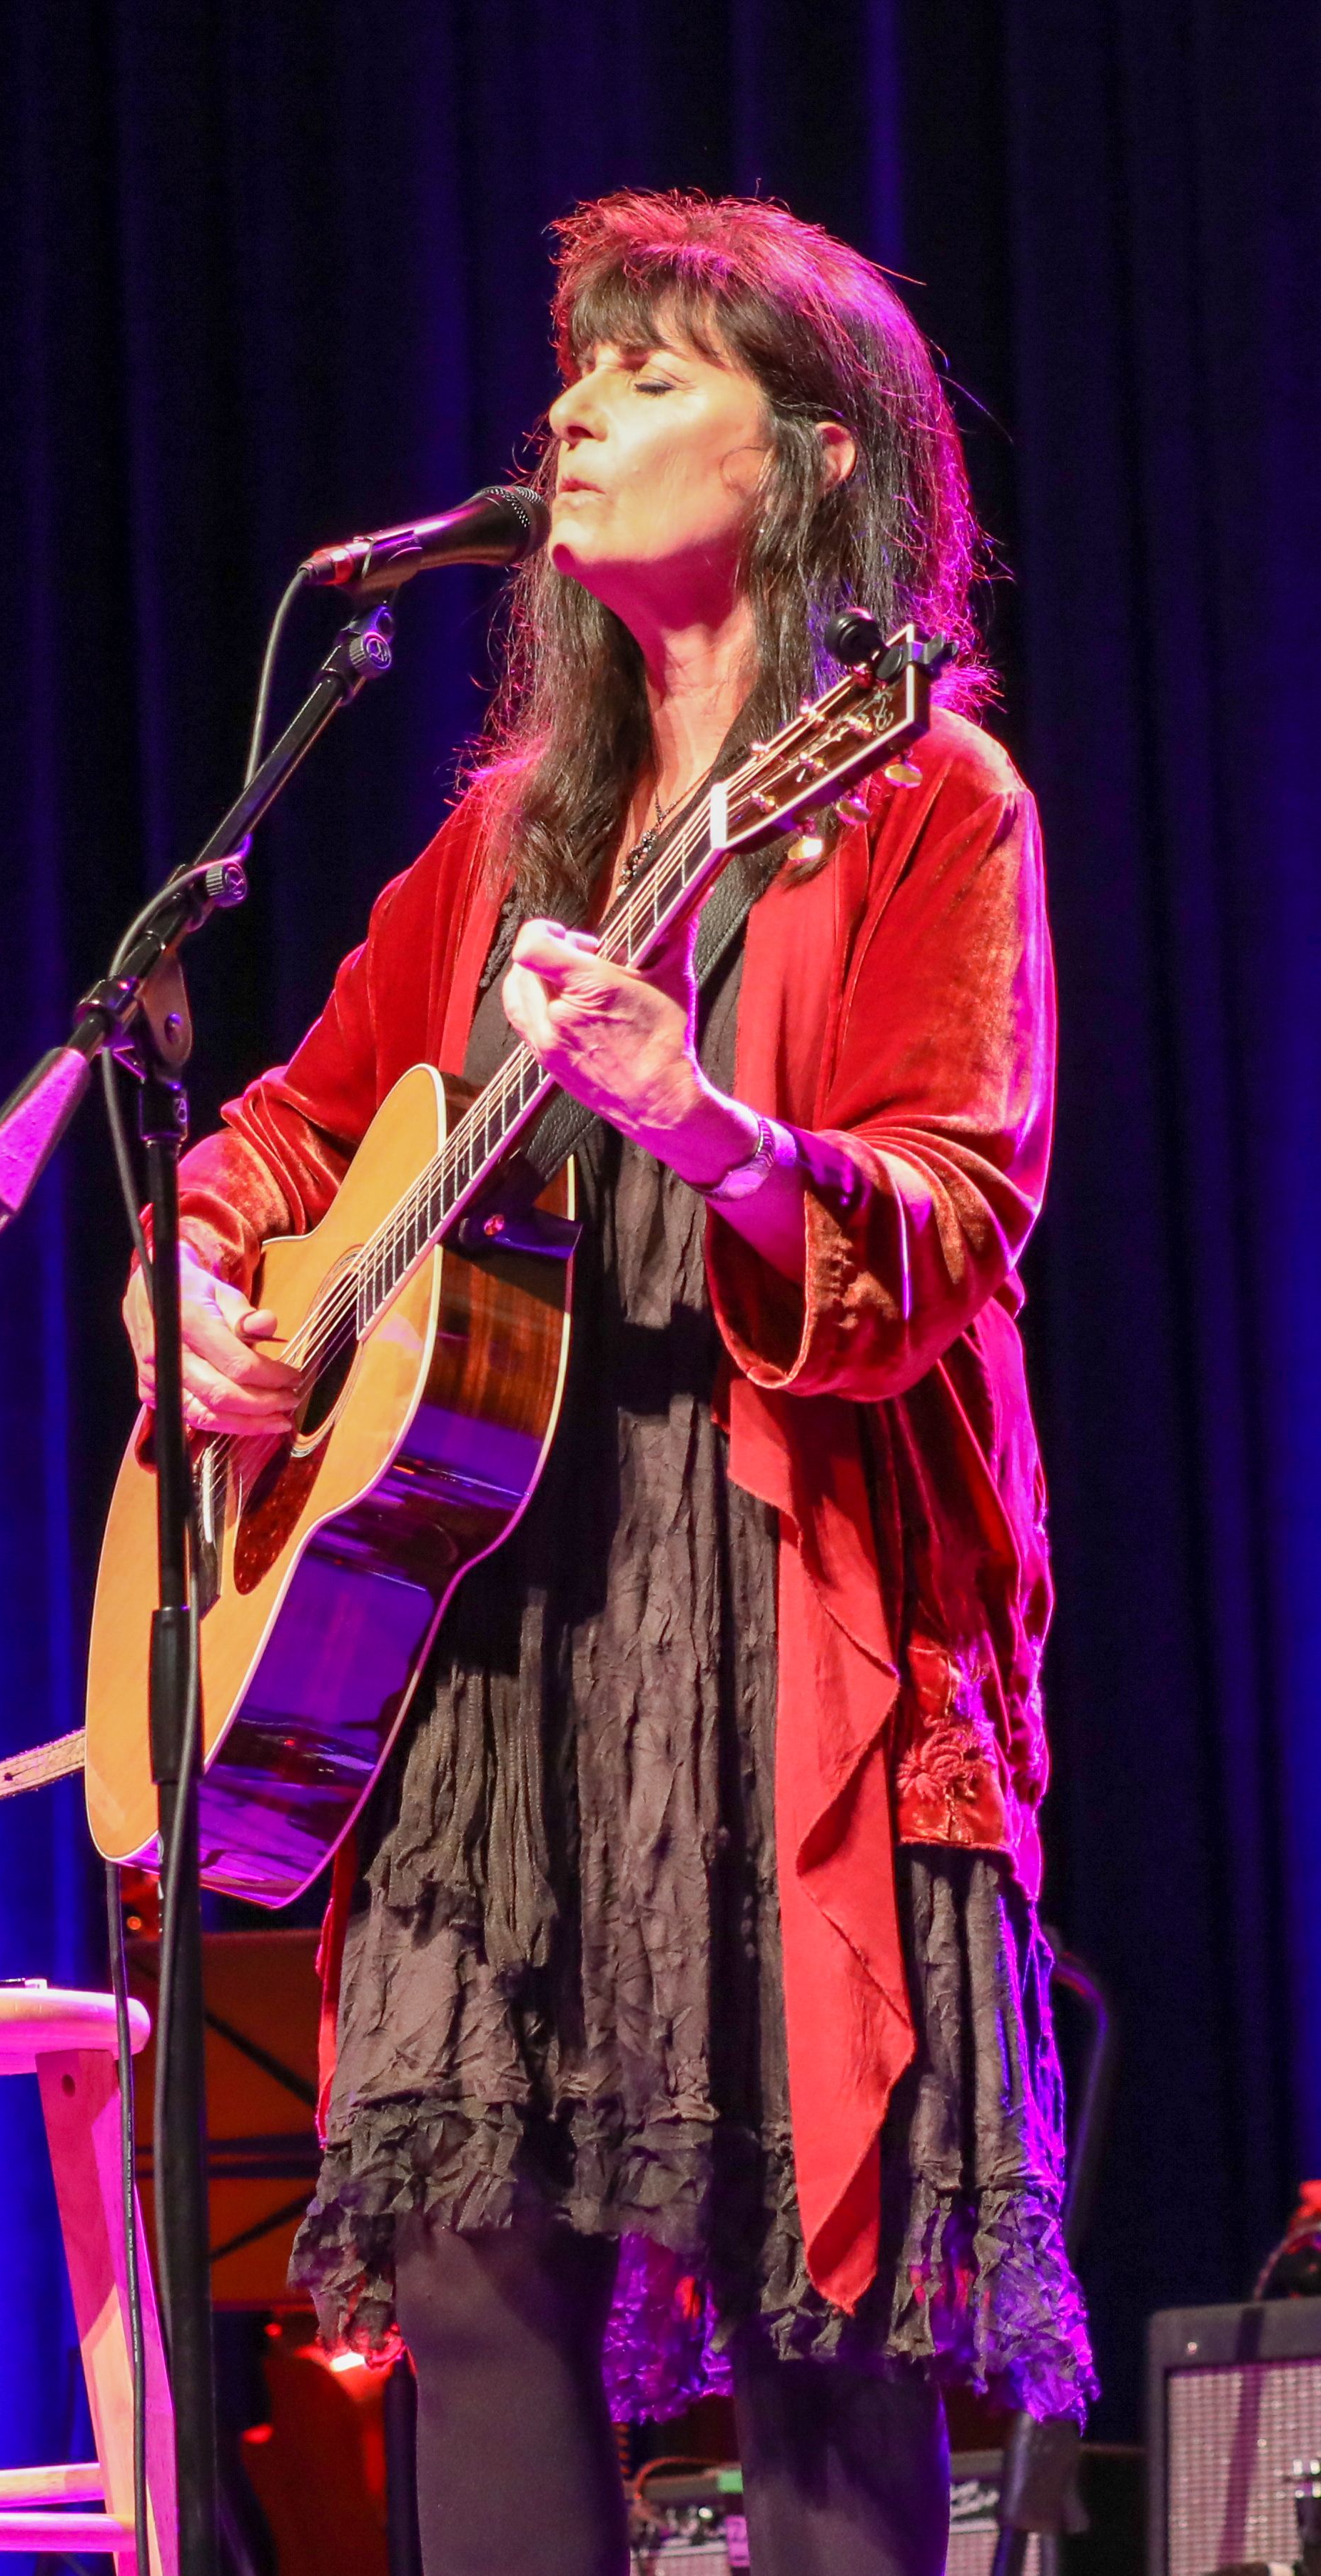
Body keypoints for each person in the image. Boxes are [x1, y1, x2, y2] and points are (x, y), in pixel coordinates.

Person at [125, 193, 1084, 2576]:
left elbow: (952, 1214)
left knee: (817, 2308)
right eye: (574, 364)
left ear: (803, 461)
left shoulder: (922, 804)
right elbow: (282, 1126)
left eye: (648, 370)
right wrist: (198, 1296)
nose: (569, 406)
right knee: (463, 2286)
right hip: (484, 1637)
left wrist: (712, 1131)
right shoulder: (496, 843)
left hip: (781, 1624)